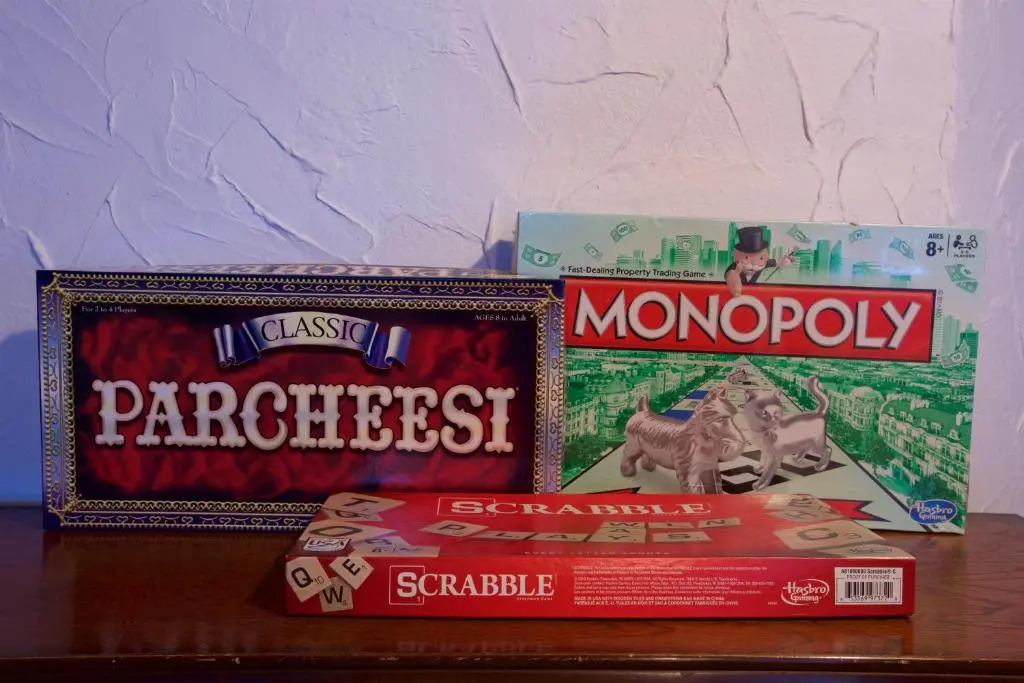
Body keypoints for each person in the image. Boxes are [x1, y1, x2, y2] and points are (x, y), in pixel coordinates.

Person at [724, 225, 795, 296]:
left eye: (760, 258)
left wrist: (785, 261)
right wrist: (736, 273)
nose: (753, 265)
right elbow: (731, 278)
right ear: (735, 255)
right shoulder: (734, 267)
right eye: (746, 258)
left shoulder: (763, 263)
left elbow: (777, 263)